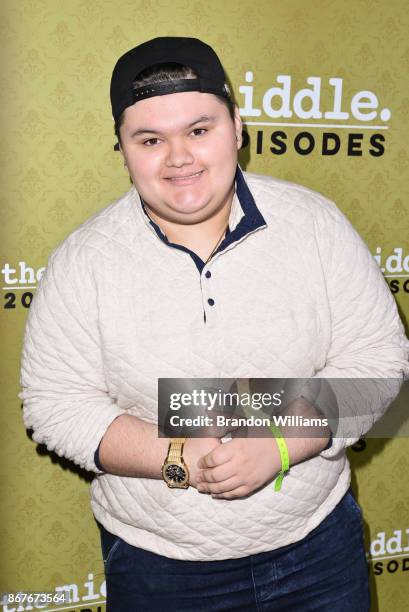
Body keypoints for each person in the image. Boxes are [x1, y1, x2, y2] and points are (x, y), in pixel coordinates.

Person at [19, 37, 409, 611]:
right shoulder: (84, 261)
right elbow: (54, 405)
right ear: (123, 149)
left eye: (199, 130)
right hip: (160, 568)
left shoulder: (316, 226)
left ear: (238, 127)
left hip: (318, 550)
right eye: (150, 140)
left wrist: (278, 444)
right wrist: (177, 456)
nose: (179, 158)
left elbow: (379, 364)